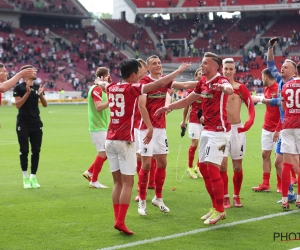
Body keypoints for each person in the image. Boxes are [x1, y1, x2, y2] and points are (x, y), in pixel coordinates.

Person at [104, 58, 190, 234]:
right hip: (125, 140)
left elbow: (101, 83)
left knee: (117, 183)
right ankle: (121, 221)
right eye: (140, 70)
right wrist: (179, 70)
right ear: (134, 74)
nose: (142, 73)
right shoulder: (133, 88)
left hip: (109, 140)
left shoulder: (111, 87)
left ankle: (117, 219)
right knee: (128, 183)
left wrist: (101, 80)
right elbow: (159, 83)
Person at [155, 52, 234, 225]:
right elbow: (187, 100)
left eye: (205, 63)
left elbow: (229, 88)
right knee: (204, 169)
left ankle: (220, 210)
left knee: (212, 169)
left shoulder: (220, 81)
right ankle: (215, 206)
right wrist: (167, 107)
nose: (202, 65)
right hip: (207, 129)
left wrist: (224, 89)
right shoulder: (203, 82)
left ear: (214, 66)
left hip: (220, 131)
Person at [137, 55, 198, 216]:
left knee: (162, 163)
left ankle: (158, 198)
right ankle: (142, 200)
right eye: (154, 64)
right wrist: (149, 127)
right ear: (148, 67)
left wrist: (207, 83)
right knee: (147, 165)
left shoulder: (165, 79)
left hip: (160, 129)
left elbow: (185, 84)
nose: (158, 65)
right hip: (145, 128)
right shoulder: (144, 83)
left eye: (159, 63)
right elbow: (142, 107)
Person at [252, 38, 296, 200]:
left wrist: (263, 100)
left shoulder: (294, 86)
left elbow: (281, 103)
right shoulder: (280, 81)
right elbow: (271, 64)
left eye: (286, 67)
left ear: (294, 72)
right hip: (285, 129)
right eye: (282, 66)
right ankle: (290, 193)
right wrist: (270, 48)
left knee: (293, 163)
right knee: (280, 163)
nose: (281, 68)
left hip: (292, 128)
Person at [220, 58, 255, 208]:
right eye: (226, 68)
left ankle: (236, 195)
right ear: (222, 69)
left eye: (230, 69)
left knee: (237, 167)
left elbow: (250, 106)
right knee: (222, 166)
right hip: (221, 130)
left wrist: (249, 122)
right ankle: (225, 196)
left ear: (235, 70)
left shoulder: (240, 87)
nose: (228, 71)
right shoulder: (217, 87)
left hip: (237, 130)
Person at [13, 65, 47, 189]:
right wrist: (27, 93)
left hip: (36, 123)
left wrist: (41, 95)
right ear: (25, 73)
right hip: (23, 123)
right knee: (24, 150)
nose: (35, 72)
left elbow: (45, 105)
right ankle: (25, 177)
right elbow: (18, 105)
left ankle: (33, 176)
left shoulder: (38, 87)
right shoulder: (19, 87)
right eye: (32, 71)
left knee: (36, 150)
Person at [251, 69, 281, 192]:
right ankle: (265, 184)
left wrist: (278, 129)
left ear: (266, 77)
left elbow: (283, 112)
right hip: (266, 127)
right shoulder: (266, 89)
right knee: (265, 154)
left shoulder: (279, 89)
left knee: (278, 158)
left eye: (262, 77)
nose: (261, 79)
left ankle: (280, 184)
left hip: (277, 129)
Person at [82, 67, 110, 189]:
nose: (109, 78)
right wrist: (112, 101)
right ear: (103, 77)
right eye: (108, 76)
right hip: (97, 126)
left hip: (102, 125)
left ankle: (89, 172)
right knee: (103, 152)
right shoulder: (96, 89)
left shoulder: (101, 89)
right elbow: (98, 107)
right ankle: (94, 180)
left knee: (107, 152)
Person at [280, 62, 300, 209]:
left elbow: (283, 106)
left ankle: (285, 199)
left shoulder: (286, 85)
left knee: (286, 164)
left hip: (287, 125)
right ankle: (299, 199)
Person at [180, 68, 203, 179]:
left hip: (205, 120)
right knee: (194, 143)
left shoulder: (207, 89)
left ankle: (198, 167)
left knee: (203, 144)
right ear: (195, 77)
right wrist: (183, 121)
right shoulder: (191, 90)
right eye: (199, 73)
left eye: (203, 73)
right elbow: (186, 106)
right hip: (194, 119)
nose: (201, 74)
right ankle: (189, 167)